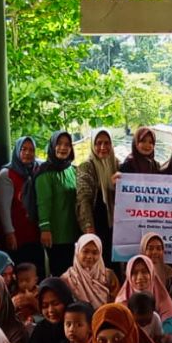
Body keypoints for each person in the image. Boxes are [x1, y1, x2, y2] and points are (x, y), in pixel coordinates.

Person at [0, 136, 45, 274]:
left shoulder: (37, 169)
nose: (27, 153)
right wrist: (9, 232)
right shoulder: (7, 174)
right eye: (23, 149)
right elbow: (3, 208)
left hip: (35, 232)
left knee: (37, 271)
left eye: (31, 150)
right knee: (20, 270)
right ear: (17, 150)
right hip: (17, 233)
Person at [36, 130, 79, 276]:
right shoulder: (45, 172)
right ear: (52, 146)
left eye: (67, 144)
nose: (63, 147)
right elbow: (43, 203)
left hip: (74, 233)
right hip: (56, 236)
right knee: (61, 276)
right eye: (59, 144)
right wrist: (45, 228)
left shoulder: (73, 170)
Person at [76, 128, 117, 262]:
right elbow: (83, 199)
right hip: (97, 224)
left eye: (106, 143)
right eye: (98, 143)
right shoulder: (86, 166)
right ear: (92, 145)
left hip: (115, 226)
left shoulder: (116, 165)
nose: (102, 147)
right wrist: (89, 227)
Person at [27, 277, 72, 343]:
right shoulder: (40, 332)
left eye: (55, 304)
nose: (51, 310)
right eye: (45, 306)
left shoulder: (77, 325)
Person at [116, 254, 172, 328]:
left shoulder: (161, 296)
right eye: (134, 273)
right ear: (129, 276)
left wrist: (166, 334)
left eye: (144, 272)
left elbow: (171, 321)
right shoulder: (121, 302)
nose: (140, 277)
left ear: (151, 274)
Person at [63, 233, 119, 308]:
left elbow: (116, 303)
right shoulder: (68, 278)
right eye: (85, 251)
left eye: (95, 253)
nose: (89, 256)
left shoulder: (108, 275)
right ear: (77, 252)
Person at [140, 232, 172, 310]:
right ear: (143, 250)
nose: (155, 252)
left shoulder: (170, 273)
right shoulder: (136, 273)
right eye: (150, 248)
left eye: (159, 248)